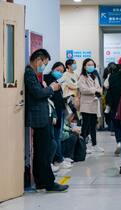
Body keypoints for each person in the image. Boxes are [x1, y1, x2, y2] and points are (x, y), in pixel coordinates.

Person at [24, 49, 68, 192]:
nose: (44, 67)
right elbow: (37, 93)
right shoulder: (29, 73)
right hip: (39, 118)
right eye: (45, 63)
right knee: (44, 152)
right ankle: (49, 183)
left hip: (43, 117)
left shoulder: (35, 74)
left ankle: (41, 182)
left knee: (41, 151)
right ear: (38, 59)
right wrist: (51, 88)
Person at [44, 62, 72, 169]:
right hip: (52, 112)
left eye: (61, 71)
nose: (59, 73)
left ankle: (59, 159)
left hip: (59, 111)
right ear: (52, 69)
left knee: (57, 136)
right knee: (54, 137)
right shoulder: (47, 78)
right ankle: (56, 160)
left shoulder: (60, 81)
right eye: (58, 70)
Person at [78, 58, 104, 153]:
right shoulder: (82, 77)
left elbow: (99, 87)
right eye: (88, 65)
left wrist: (99, 90)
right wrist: (95, 90)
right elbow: (82, 89)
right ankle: (83, 146)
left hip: (94, 103)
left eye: (92, 64)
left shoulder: (95, 76)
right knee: (86, 125)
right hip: (86, 105)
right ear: (84, 66)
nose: (90, 66)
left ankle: (95, 144)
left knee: (93, 125)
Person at [107, 57, 121, 155]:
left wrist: (109, 105)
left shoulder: (112, 76)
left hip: (115, 105)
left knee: (117, 126)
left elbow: (109, 90)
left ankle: (119, 142)